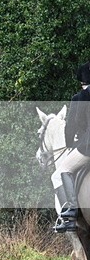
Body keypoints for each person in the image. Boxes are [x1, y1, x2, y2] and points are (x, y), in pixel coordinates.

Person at [52, 62, 90, 232]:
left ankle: (70, 215)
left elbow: (71, 127)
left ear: (82, 81)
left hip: (87, 146)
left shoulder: (80, 97)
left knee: (63, 171)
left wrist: (69, 144)